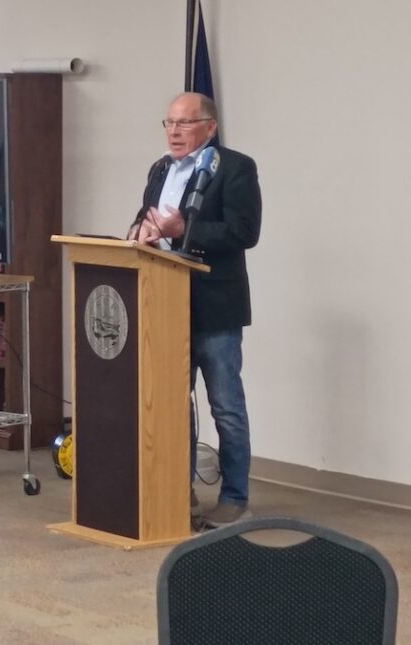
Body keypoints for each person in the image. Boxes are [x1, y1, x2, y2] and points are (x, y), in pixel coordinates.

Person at [129, 92, 261, 529]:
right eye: (168, 123)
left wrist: (187, 228)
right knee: (171, 403)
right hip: (165, 306)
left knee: (225, 406)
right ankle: (175, 487)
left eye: (184, 124)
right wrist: (139, 230)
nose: (174, 132)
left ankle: (235, 496)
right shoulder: (160, 168)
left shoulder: (236, 168)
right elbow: (145, 214)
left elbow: (244, 232)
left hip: (215, 308)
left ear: (210, 126)